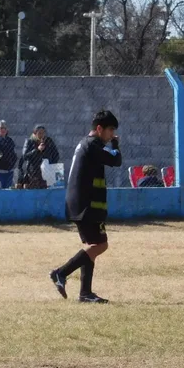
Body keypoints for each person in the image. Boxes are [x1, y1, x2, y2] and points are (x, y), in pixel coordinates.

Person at [49, 110, 122, 305]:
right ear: (99, 129)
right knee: (100, 245)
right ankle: (60, 273)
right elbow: (116, 160)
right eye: (110, 130)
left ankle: (85, 293)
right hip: (86, 205)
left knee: (91, 246)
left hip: (82, 204)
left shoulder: (88, 144)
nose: (111, 134)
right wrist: (115, 145)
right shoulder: (93, 145)